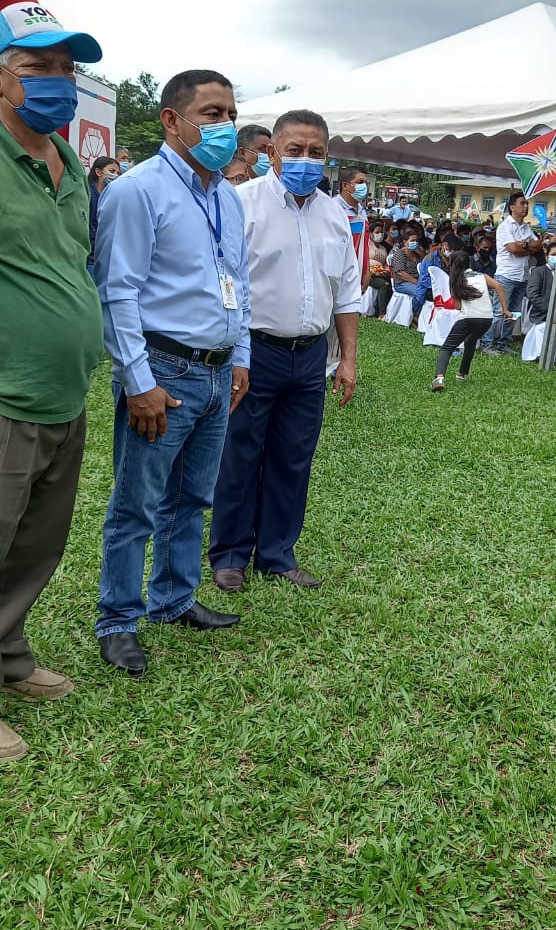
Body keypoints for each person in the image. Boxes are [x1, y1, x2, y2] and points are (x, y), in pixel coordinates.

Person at [94, 70, 252, 677]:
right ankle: (118, 619)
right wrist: (139, 382)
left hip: (215, 371)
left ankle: (174, 598)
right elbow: (118, 291)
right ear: (171, 120)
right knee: (136, 504)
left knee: (191, 497)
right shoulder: (138, 190)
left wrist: (239, 357)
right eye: (211, 113)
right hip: (163, 368)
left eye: (230, 113)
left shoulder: (226, 198)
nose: (225, 126)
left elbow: (238, 284)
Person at [0, 0, 105, 760]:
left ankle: (8, 657)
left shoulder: (69, 165)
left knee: (36, 544)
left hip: (64, 394)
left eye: (67, 69)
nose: (58, 82)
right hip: (5, 396)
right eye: (38, 67)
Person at [209, 109, 361, 594]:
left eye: (316, 152)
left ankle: (276, 554)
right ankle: (230, 554)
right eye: (295, 150)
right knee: (240, 454)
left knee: (294, 457)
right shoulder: (240, 203)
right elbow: (223, 280)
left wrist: (348, 358)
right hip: (254, 350)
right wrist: (235, 353)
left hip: (311, 355)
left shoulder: (334, 214)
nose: (305, 160)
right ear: (272, 152)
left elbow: (347, 292)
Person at [430, 252, 511, 391]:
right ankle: (462, 374)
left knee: (447, 348)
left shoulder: (456, 280)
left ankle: (439, 378)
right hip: (487, 319)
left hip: (468, 318)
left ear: (453, 265)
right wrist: (505, 310)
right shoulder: (482, 276)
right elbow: (498, 286)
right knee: (470, 341)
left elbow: (458, 307)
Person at [481, 192, 543, 354]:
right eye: (522, 203)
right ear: (512, 207)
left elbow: (539, 246)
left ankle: (504, 343)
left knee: (514, 312)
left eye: (527, 203)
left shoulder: (527, 228)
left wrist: (525, 245)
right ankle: (487, 343)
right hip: (506, 275)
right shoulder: (505, 226)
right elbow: (513, 249)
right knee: (499, 311)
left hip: (522, 276)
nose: (526, 206)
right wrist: (527, 247)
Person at [336, 169, 370, 290]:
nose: (364, 186)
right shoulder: (333, 209)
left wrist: (366, 270)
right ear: (345, 186)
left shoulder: (361, 211)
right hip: (338, 276)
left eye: (365, 182)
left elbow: (364, 244)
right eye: (360, 182)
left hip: (357, 275)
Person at [88, 155, 121, 274]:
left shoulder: (111, 196)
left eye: (118, 173)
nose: (116, 175)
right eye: (112, 171)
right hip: (90, 258)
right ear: (99, 172)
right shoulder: (88, 194)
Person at [390, 225, 424, 297]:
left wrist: (420, 252)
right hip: (402, 283)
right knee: (419, 293)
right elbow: (401, 273)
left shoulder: (417, 253)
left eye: (416, 241)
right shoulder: (399, 254)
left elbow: (425, 262)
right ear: (405, 242)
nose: (415, 243)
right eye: (412, 241)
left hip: (418, 280)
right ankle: (415, 305)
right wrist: (416, 282)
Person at [368, 221, 392, 318]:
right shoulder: (367, 245)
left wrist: (385, 271)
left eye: (381, 232)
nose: (380, 234)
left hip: (380, 273)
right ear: (371, 234)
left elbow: (385, 264)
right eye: (377, 232)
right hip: (368, 274)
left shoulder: (383, 248)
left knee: (389, 285)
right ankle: (381, 313)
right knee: (384, 285)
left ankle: (380, 310)